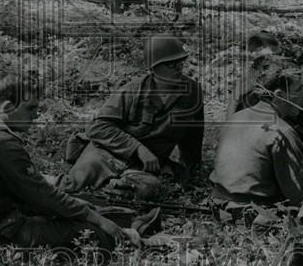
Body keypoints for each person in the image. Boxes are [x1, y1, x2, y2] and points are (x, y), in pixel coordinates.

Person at [0, 74, 140, 251]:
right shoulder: (0, 142)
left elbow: (30, 190)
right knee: (94, 234)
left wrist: (80, 206)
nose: (35, 115)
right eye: (30, 108)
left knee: (82, 210)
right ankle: (128, 240)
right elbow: (42, 196)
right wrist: (96, 219)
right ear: (9, 107)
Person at [59, 35, 204, 194]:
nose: (178, 68)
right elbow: (98, 128)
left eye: (181, 62)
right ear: (153, 68)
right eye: (171, 64)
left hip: (146, 165)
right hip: (106, 153)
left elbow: (193, 136)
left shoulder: (192, 92)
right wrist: (138, 149)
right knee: (73, 184)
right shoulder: (132, 91)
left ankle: (114, 189)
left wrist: (191, 170)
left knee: (149, 188)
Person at [210, 94, 303, 210]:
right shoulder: (283, 131)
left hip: (218, 203)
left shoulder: (235, 117)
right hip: (254, 210)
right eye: (298, 90)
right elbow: (300, 196)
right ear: (279, 94)